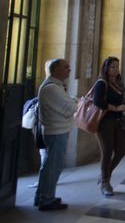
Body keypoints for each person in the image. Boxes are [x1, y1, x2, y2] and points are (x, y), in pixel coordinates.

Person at [36, 58, 76, 211]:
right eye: (66, 67)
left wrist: (74, 102)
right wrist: (76, 103)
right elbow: (70, 107)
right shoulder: (51, 88)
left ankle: (42, 195)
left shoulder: (56, 86)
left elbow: (69, 103)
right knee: (53, 166)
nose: (69, 69)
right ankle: (46, 199)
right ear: (55, 70)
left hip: (57, 130)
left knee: (49, 165)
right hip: (55, 131)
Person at [93, 56, 125, 196]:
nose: (115, 69)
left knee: (121, 151)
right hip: (105, 122)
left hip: (119, 122)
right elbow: (98, 102)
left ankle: (104, 174)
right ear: (106, 68)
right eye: (113, 67)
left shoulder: (118, 83)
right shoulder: (101, 83)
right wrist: (116, 108)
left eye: (117, 66)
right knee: (107, 152)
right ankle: (105, 182)